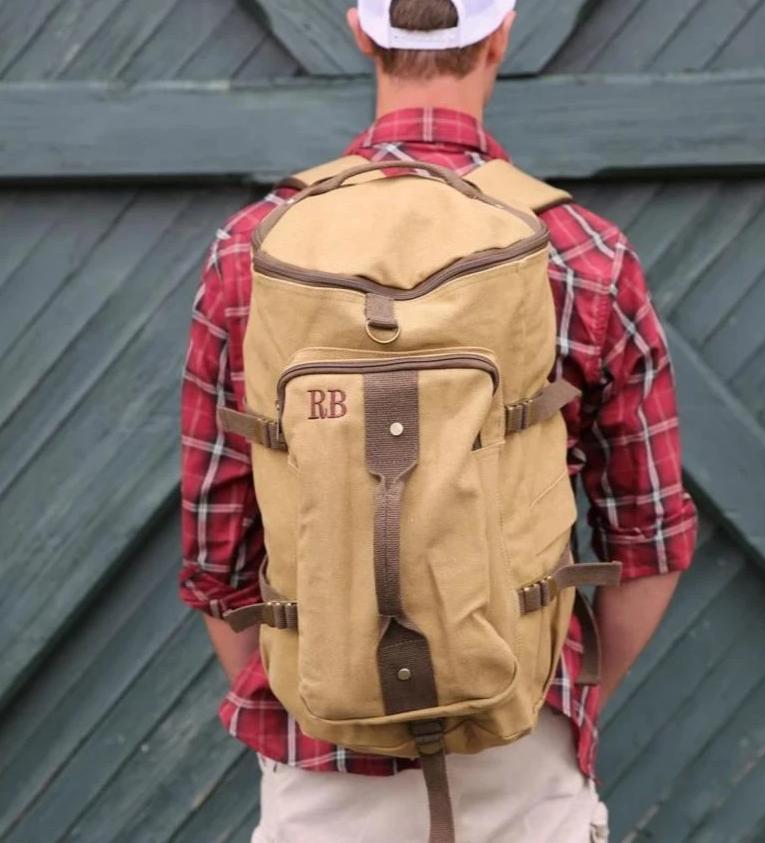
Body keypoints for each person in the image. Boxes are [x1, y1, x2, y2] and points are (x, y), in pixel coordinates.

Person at [179, 1, 698, 840]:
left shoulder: (254, 249)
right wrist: (555, 689)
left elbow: (214, 547)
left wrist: (315, 677)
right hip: (521, 757)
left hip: (320, 765)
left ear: (359, 30)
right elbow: (651, 537)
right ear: (502, 33)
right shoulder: (580, 249)